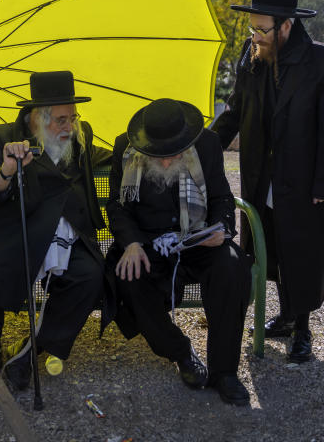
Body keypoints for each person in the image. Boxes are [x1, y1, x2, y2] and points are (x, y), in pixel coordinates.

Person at [211, 0, 324, 363]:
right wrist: (203, 149)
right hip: (260, 175)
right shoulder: (252, 55)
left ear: (286, 26)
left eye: (261, 29)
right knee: (267, 245)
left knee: (300, 253)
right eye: (252, 28)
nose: (254, 37)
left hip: (303, 180)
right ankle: (285, 316)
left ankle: (301, 329)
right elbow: (236, 111)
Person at [0, 71, 112, 390]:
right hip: (14, 227)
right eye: (61, 120)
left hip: (67, 232)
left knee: (89, 276)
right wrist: (7, 169)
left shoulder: (79, 134)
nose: (69, 126)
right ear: (36, 117)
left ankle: (30, 353)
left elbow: (103, 157)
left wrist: (143, 149)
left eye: (73, 117)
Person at [106, 98, 253, 405]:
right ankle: (180, 352)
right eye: (157, 155)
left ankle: (224, 372)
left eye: (171, 153)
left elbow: (221, 197)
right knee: (127, 278)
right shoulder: (125, 147)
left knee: (232, 265)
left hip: (197, 239)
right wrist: (131, 243)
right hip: (148, 242)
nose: (164, 162)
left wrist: (221, 230)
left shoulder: (208, 144)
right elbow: (117, 206)